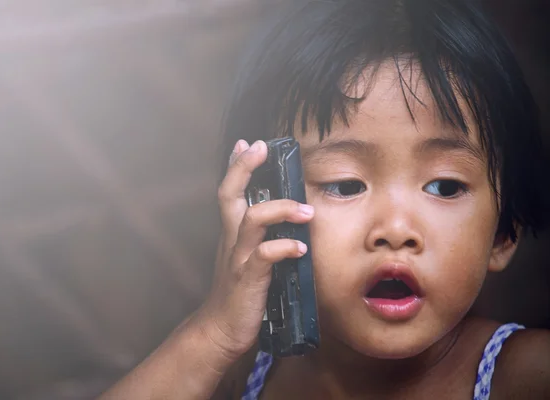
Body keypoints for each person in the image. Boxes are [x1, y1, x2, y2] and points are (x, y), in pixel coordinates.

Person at [100, 0, 550, 398]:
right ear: (267, 201)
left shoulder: (527, 375)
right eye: (345, 184)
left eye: (445, 187)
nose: (395, 230)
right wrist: (213, 334)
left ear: (504, 232)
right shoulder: (241, 370)